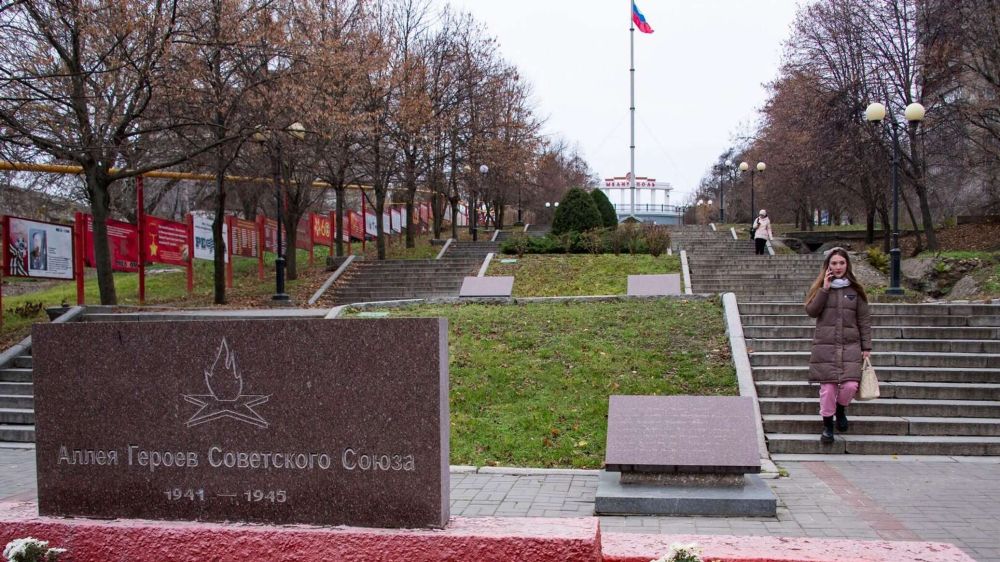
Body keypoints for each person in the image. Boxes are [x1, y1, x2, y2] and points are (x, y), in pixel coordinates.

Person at [804, 247, 872, 443]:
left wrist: (866, 347)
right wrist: (825, 289)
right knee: (828, 389)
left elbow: (864, 320)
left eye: (841, 263)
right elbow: (811, 311)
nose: (838, 267)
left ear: (847, 265)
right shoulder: (820, 288)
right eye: (834, 263)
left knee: (851, 385)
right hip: (825, 347)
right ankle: (827, 426)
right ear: (828, 266)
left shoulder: (855, 290)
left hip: (851, 346)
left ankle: (841, 409)